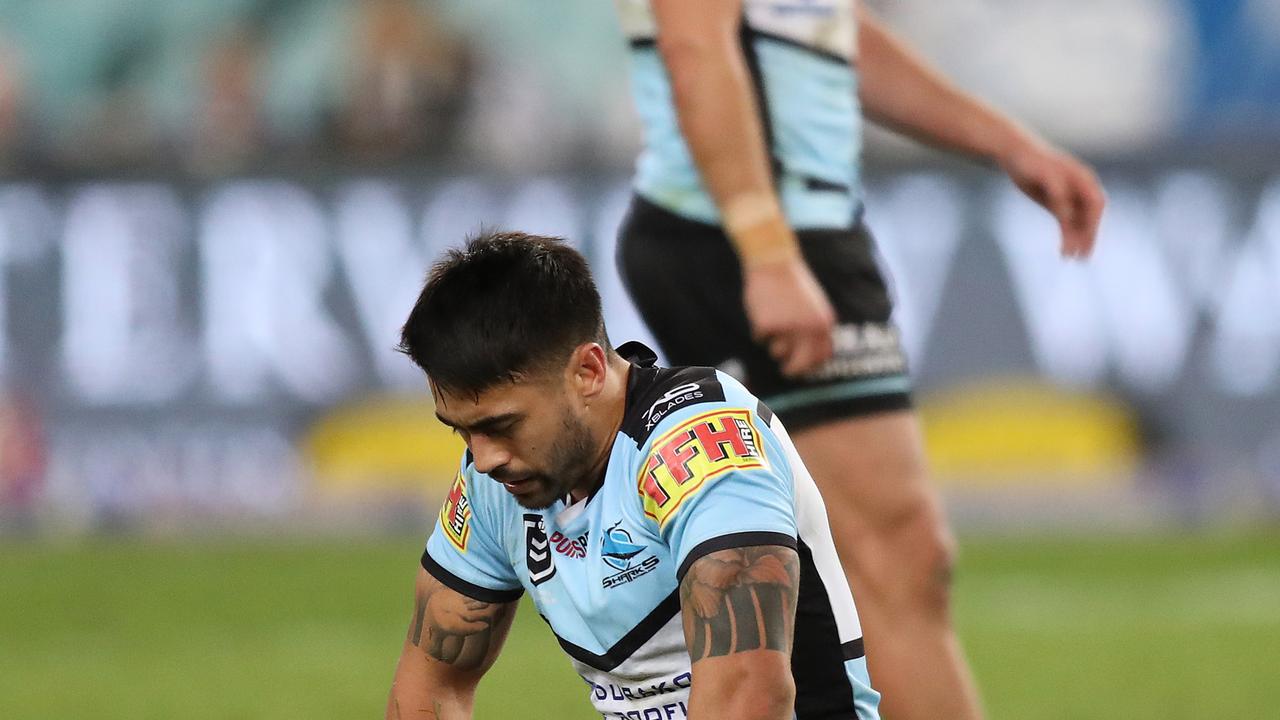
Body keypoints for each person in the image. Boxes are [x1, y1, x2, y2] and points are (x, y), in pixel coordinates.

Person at [612, 2, 1107, 719]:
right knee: (892, 560)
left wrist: (1007, 143)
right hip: (740, 230)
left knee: (842, 564)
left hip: (788, 229)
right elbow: (694, 46)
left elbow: (821, 24)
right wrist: (768, 250)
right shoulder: (761, 238)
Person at [387, 232, 880, 719]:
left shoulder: (703, 442)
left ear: (588, 371)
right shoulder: (496, 481)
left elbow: (748, 699)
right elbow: (428, 692)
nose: (484, 457)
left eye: (501, 425)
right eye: (462, 432)